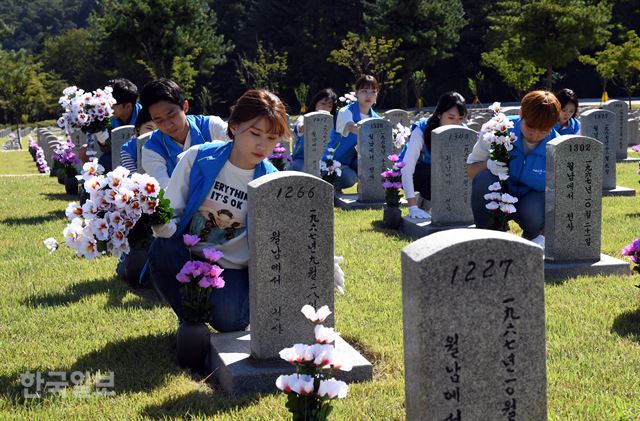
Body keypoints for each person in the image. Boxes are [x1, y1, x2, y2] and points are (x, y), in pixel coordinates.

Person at [148, 89, 288, 332]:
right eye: (255, 133)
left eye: (272, 138)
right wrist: (162, 224)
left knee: (230, 321)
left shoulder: (271, 181)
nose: (262, 145)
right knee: (162, 249)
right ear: (233, 127)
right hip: (189, 254)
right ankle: (190, 319)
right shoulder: (199, 158)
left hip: (232, 268)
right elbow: (173, 207)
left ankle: (215, 309)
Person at [467, 90, 561, 243]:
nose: (535, 135)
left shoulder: (557, 146)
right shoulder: (497, 129)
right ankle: (487, 235)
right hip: (497, 193)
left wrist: (544, 235)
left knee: (536, 212)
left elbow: (557, 196)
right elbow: (470, 170)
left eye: (543, 131)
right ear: (521, 114)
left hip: (530, 200)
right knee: (483, 179)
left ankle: (533, 235)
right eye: (530, 127)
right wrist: (488, 164)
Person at [140, 78, 229, 188]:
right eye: (159, 120)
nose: (168, 125)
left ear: (185, 106)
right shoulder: (152, 149)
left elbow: (241, 146)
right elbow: (166, 192)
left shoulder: (211, 126)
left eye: (171, 115)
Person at [400, 92, 467, 219]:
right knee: (436, 173)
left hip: (437, 175)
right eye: (451, 118)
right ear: (439, 114)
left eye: (460, 119)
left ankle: (427, 202)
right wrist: (412, 207)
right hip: (414, 173)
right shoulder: (421, 130)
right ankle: (420, 204)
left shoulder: (462, 131)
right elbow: (406, 169)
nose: (455, 124)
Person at [323, 75, 380, 190]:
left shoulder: (376, 118)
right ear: (356, 93)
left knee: (375, 167)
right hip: (333, 162)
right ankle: (325, 188)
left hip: (353, 162)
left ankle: (367, 191)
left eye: (373, 92)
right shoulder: (346, 111)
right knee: (349, 178)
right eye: (364, 91)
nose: (369, 95)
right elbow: (352, 127)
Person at [290, 89, 338, 171]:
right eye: (323, 103)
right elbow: (301, 128)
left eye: (329, 106)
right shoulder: (303, 119)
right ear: (315, 103)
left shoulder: (333, 124)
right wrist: (316, 119)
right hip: (302, 160)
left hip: (323, 162)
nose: (325, 108)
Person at [120, 108, 156, 173]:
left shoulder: (165, 144)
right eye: (149, 128)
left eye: (158, 130)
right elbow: (131, 175)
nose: (153, 133)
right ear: (138, 127)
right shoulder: (128, 148)